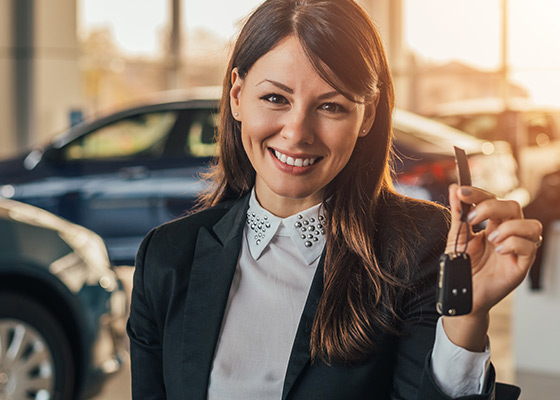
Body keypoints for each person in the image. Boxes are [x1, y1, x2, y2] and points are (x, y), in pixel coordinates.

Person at [127, 0, 543, 399]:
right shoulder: (166, 258)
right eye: (275, 98)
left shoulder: (421, 249)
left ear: (368, 115)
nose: (297, 132)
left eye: (331, 106)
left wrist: (466, 316)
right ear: (237, 96)